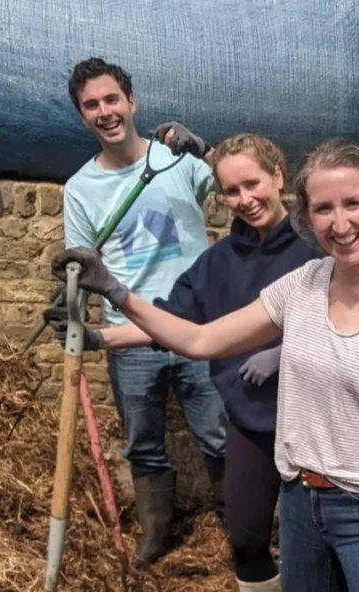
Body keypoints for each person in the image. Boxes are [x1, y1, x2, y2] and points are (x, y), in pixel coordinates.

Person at [49, 139, 359, 591]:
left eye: (352, 203)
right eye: (323, 209)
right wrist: (114, 291)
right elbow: (201, 338)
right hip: (301, 501)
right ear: (308, 216)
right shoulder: (303, 284)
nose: (340, 223)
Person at [47, 130, 320, 590]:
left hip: (315, 424)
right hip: (253, 423)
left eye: (252, 184)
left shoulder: (314, 245)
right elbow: (169, 323)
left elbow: (352, 313)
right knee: (245, 542)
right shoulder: (217, 264)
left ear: (278, 177)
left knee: (308, 547)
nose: (244, 199)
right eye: (231, 190)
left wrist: (286, 349)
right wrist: (97, 337)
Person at [57, 57, 227, 564]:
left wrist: (204, 149)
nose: (105, 111)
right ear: (82, 116)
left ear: (132, 102)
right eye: (92, 105)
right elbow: (82, 267)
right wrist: (72, 319)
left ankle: (239, 524)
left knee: (218, 436)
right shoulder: (80, 190)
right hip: (128, 337)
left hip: (197, 330)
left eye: (112, 99)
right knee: (144, 443)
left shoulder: (176, 160)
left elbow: (240, 181)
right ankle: (158, 533)